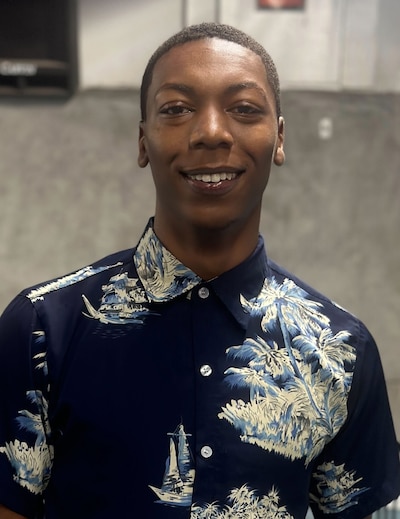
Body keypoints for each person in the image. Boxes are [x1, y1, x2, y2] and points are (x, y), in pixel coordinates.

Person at [0, 22, 399, 519]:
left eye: (244, 109)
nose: (211, 131)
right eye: (177, 109)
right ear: (143, 141)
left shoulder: (340, 349)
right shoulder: (41, 330)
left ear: (278, 138)